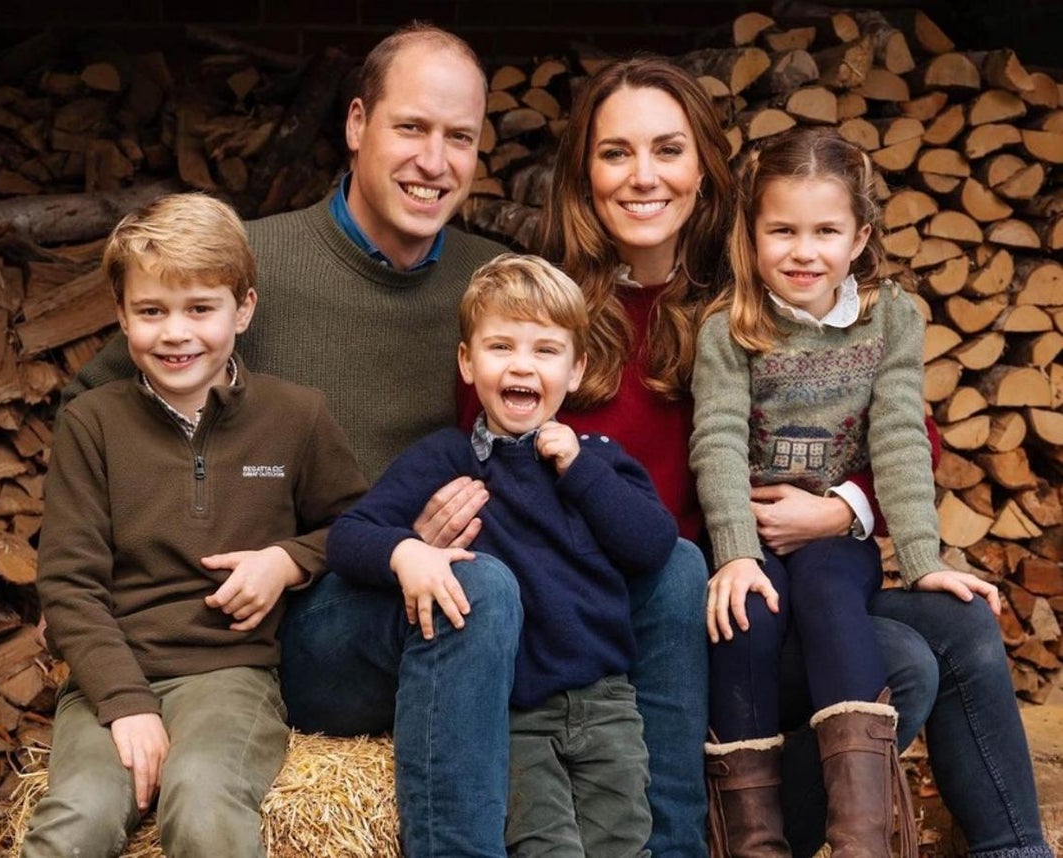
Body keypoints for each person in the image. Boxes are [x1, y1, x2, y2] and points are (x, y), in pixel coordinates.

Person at [66, 26, 713, 857]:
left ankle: (673, 846)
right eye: (412, 128)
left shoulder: (493, 280)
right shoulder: (253, 267)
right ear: (357, 124)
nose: (434, 162)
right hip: (317, 618)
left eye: (459, 139)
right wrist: (81, 583)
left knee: (674, 569)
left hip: (483, 601)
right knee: (477, 590)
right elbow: (98, 406)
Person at [538, 55, 1051, 858]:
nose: (644, 177)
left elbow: (908, 432)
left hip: (794, 563)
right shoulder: (552, 315)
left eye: (668, 150)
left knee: (961, 622)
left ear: (705, 172)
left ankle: (1016, 851)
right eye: (615, 152)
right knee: (905, 663)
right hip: (681, 608)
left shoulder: (758, 285)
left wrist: (841, 507)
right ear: (583, 172)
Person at [22, 194, 369, 858]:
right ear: (121, 316)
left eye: (200, 309)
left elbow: (355, 526)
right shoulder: (92, 423)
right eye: (151, 311)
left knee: (204, 801)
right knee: (76, 819)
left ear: (243, 309)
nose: (175, 333)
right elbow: (67, 585)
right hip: (111, 674)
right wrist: (126, 704)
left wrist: (288, 560)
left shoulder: (297, 417)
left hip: (231, 675)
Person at [690, 128, 1001, 856]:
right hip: (752, 535)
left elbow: (897, 435)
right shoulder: (729, 327)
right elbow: (718, 439)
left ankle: (862, 836)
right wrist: (734, 553)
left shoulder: (890, 317)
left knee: (834, 600)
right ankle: (751, 841)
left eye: (825, 231)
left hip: (835, 536)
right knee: (745, 617)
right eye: (783, 231)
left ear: (860, 236)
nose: (804, 251)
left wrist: (923, 559)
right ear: (751, 233)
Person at [330, 253, 672, 856]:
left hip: (607, 703)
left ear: (576, 370)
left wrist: (579, 470)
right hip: (516, 712)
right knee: (547, 847)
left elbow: (651, 545)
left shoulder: (599, 460)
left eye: (545, 350)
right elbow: (350, 535)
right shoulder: (446, 459)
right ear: (467, 362)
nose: (522, 365)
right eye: (501, 347)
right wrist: (407, 551)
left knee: (624, 843)